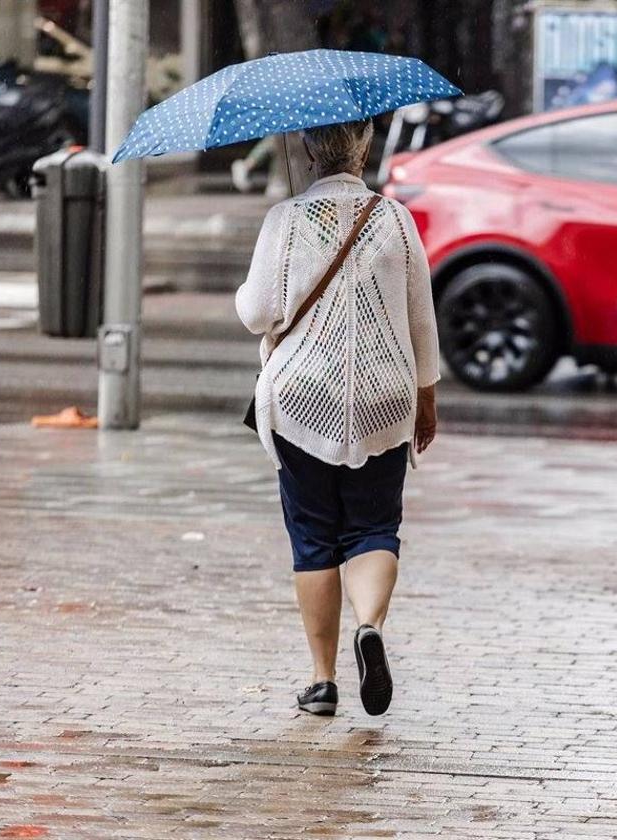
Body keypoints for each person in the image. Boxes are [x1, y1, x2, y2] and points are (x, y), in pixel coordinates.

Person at [235, 118, 440, 719]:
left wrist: (250, 296)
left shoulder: (285, 220)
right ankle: (369, 626)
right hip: (384, 399)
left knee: (314, 536)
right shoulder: (396, 221)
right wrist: (427, 401)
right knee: (374, 527)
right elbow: (421, 318)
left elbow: (255, 313)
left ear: (305, 149)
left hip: (301, 400)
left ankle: (322, 681)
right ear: (366, 147)